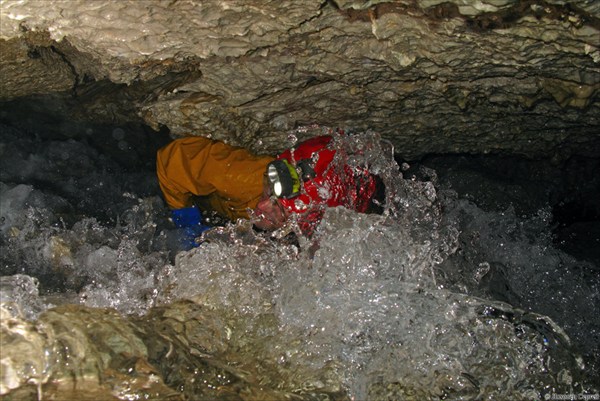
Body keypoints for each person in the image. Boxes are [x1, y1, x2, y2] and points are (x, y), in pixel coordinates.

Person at [156, 132, 383, 249]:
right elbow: (173, 160)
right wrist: (187, 222)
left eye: (280, 211)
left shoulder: (331, 238)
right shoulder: (243, 179)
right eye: (269, 192)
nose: (261, 206)